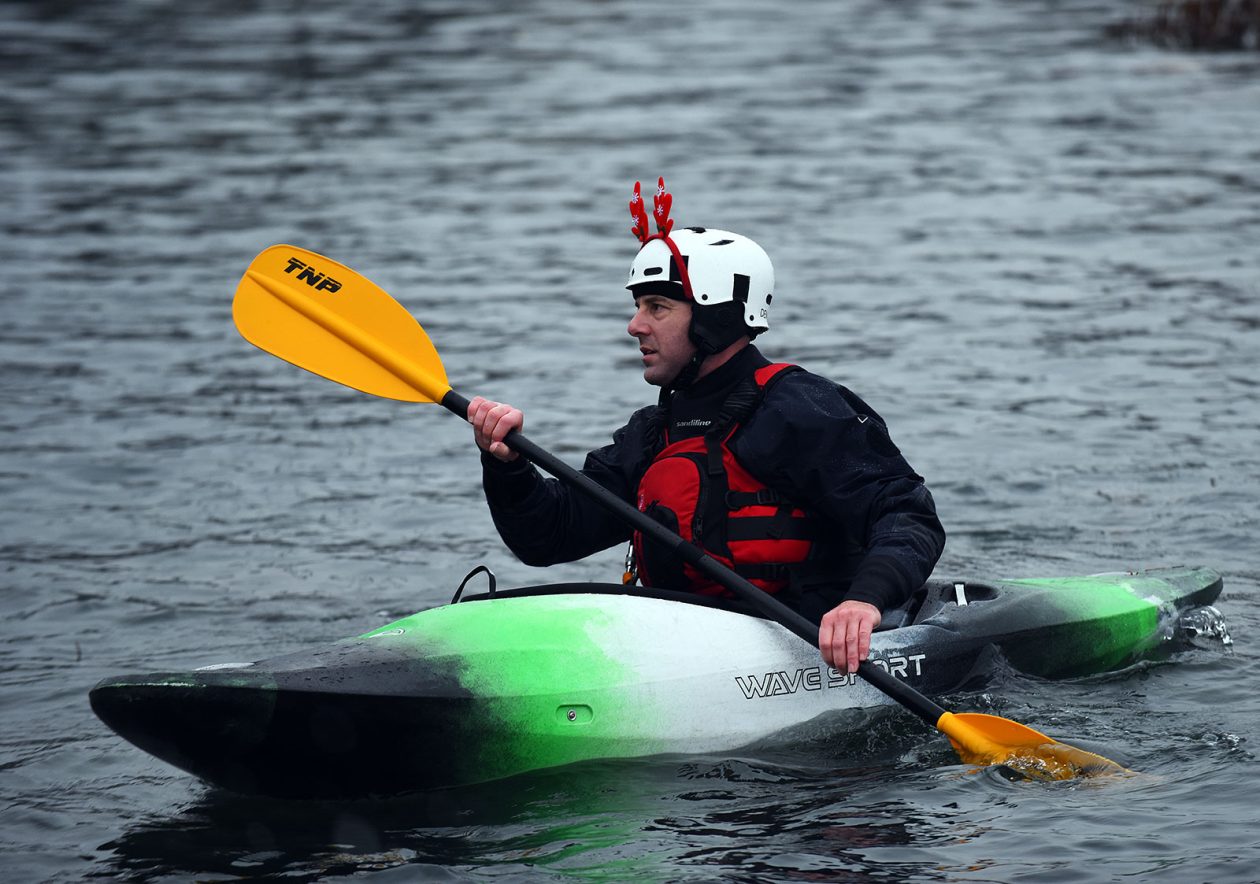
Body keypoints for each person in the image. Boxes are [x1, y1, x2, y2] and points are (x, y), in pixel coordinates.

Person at [468, 178, 945, 674]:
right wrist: (508, 465)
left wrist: (864, 602)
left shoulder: (799, 408)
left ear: (714, 318)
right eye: (637, 306)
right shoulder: (655, 431)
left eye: (657, 307)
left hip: (799, 645)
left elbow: (908, 515)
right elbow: (550, 538)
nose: (635, 325)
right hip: (683, 648)